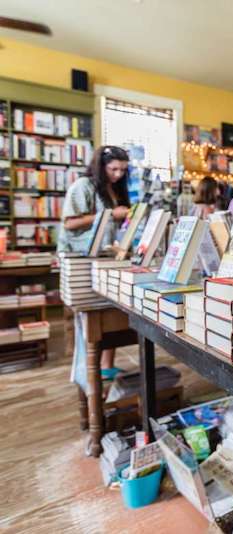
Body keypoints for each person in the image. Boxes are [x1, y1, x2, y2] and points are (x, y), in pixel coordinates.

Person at [58, 145, 131, 379]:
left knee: (110, 308)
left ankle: (107, 366)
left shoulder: (114, 188)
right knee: (92, 316)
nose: (118, 174)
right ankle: (89, 371)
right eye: (113, 169)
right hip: (82, 259)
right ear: (101, 166)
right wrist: (110, 215)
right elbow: (69, 222)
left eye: (123, 170)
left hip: (104, 256)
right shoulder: (83, 186)